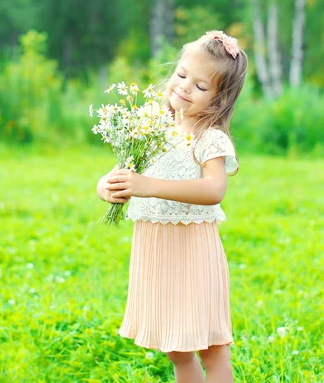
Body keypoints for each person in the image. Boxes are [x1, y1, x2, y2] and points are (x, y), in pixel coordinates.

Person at [96, 30, 247, 383]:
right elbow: (114, 175)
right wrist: (107, 187)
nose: (183, 87)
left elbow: (214, 189)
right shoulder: (150, 127)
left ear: (219, 99)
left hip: (194, 254)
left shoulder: (210, 138)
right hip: (156, 254)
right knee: (176, 349)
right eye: (181, 75)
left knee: (212, 350)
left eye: (200, 86)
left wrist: (148, 187)